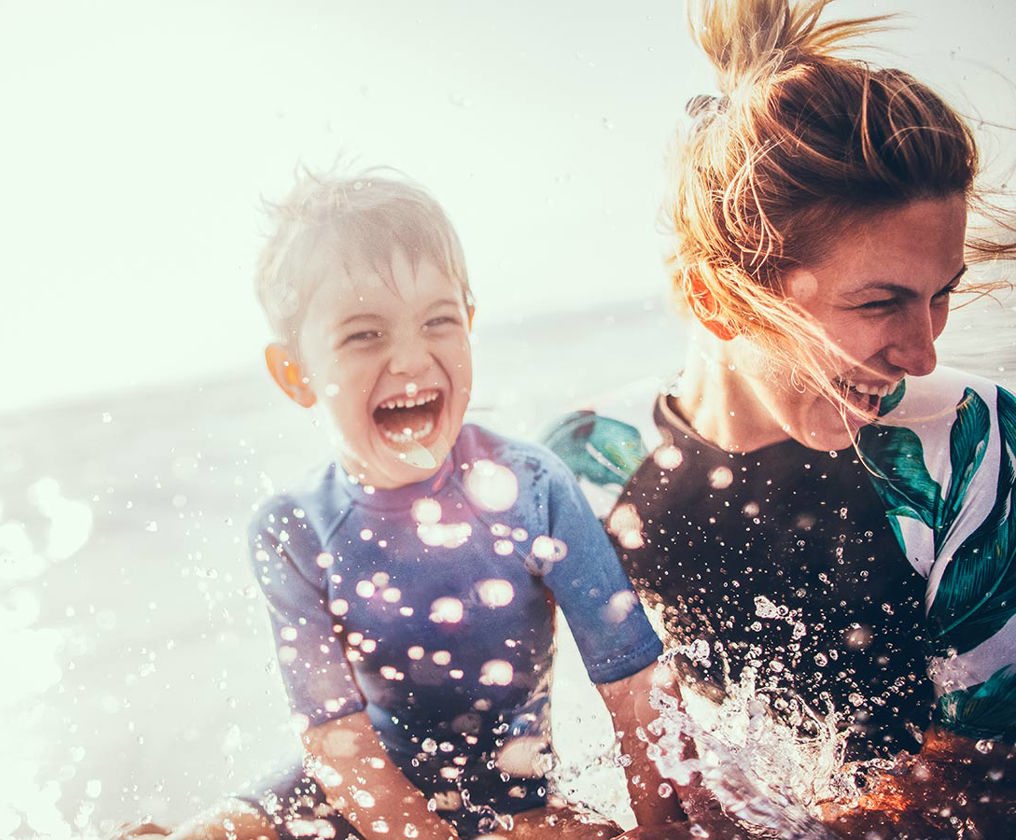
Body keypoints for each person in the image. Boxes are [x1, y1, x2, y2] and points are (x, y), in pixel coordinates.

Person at [541, 1, 1015, 836]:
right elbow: (502, 752)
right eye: (880, 304)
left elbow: (989, 778)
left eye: (940, 295)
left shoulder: (966, 443)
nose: (923, 352)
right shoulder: (585, 468)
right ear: (715, 298)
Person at [120, 169, 695, 840]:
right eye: (364, 335)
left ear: (470, 326)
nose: (412, 358)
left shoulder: (531, 488)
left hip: (509, 803)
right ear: (296, 374)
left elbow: (633, 680)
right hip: (334, 796)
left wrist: (666, 825)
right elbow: (337, 740)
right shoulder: (295, 530)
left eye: (438, 321)